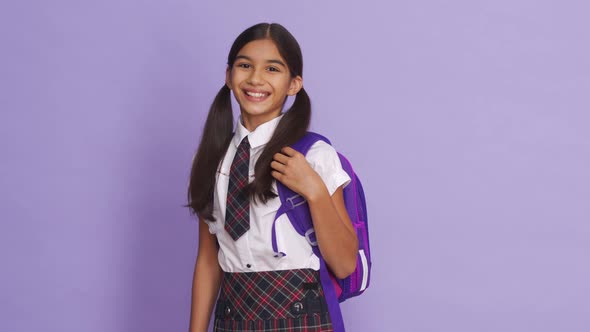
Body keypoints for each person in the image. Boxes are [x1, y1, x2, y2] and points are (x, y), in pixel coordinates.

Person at [187, 22, 358, 332]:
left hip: (302, 317)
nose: (255, 78)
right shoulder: (215, 158)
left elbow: (345, 264)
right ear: (228, 76)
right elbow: (208, 261)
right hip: (233, 317)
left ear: (294, 84)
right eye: (244, 65)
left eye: (272, 69)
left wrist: (315, 191)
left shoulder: (313, 155)